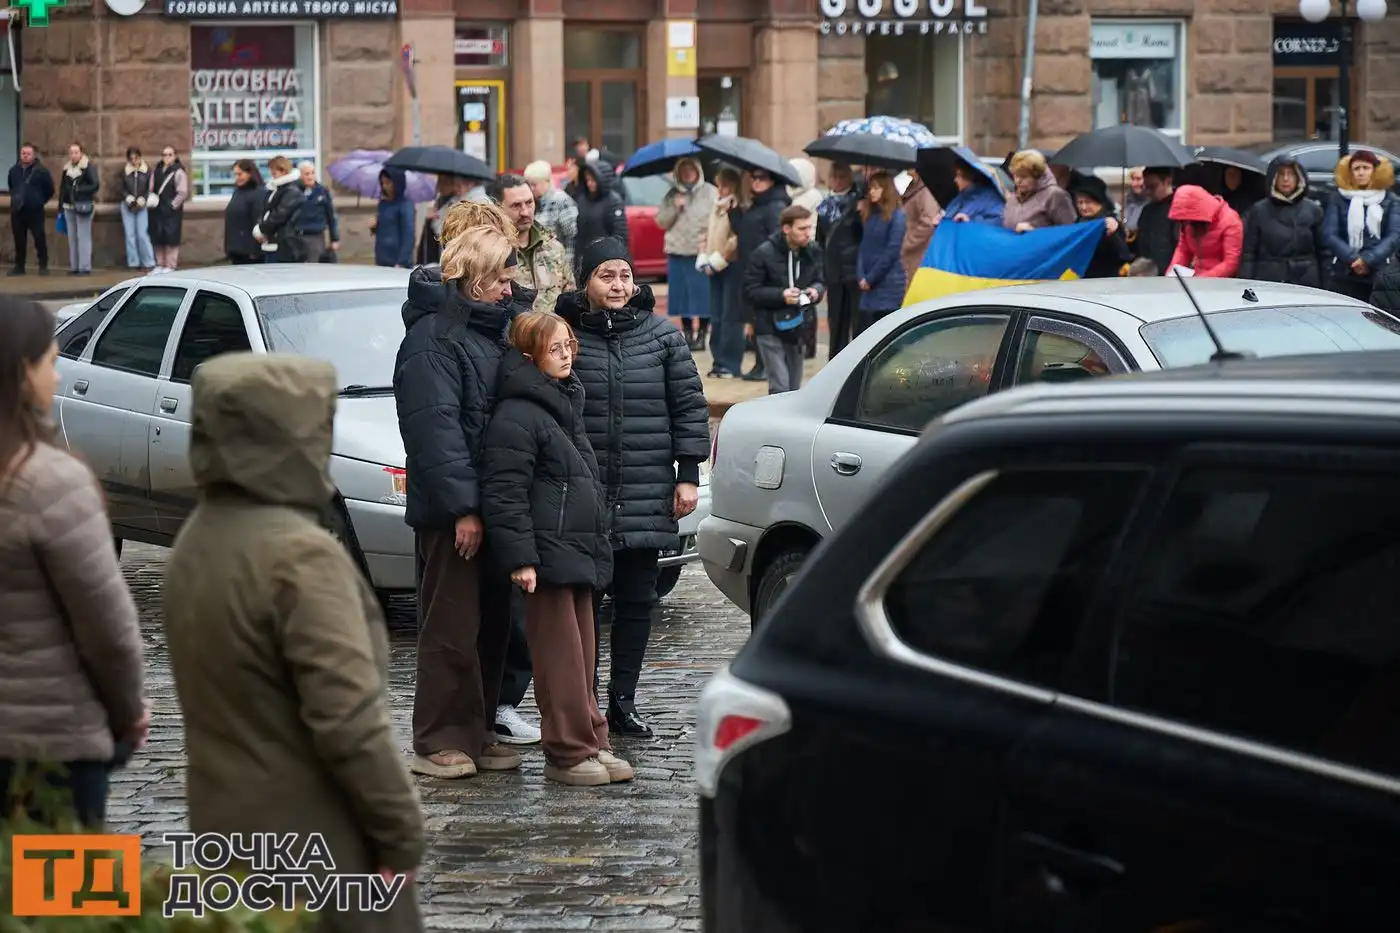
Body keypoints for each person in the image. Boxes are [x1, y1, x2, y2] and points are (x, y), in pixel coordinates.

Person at [161, 354, 424, 932]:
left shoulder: (195, 542)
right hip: (314, 836)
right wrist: (399, 832)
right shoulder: (298, 557)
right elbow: (348, 720)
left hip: (224, 828)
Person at [0, 298, 146, 829]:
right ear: (23, 375)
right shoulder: (50, 482)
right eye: (51, 363)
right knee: (62, 883)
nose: (58, 377)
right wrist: (129, 712)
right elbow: (107, 627)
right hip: (48, 747)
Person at [555, 237, 708, 736]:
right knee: (583, 603)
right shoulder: (565, 336)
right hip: (585, 491)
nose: (618, 285)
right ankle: (584, 703)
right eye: (606, 276)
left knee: (637, 601)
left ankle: (623, 700)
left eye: (625, 275)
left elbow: (688, 407)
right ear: (586, 282)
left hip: (646, 488)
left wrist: (688, 475)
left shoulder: (662, 336)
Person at [480, 311, 635, 786]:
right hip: (547, 556)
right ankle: (567, 751)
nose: (567, 355)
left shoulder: (563, 402)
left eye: (570, 345)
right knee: (560, 659)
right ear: (530, 356)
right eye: (556, 348)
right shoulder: (517, 414)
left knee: (583, 657)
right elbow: (504, 492)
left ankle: (592, 739)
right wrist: (521, 557)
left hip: (577, 550)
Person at [394, 214, 521, 779]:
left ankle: (478, 730)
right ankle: (439, 738)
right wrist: (464, 508)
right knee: (451, 625)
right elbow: (435, 432)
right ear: (475, 278)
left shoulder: (489, 331)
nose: (509, 290)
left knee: (491, 625)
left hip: (493, 504)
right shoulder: (433, 340)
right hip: (454, 513)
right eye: (501, 279)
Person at [744, 205, 826, 394]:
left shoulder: (813, 251)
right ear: (787, 228)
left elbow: (821, 280)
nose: (808, 233)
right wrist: (781, 295)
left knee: (794, 389)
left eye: (810, 228)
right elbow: (751, 291)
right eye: (802, 229)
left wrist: (815, 291)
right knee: (780, 387)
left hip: (798, 326)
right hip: (769, 325)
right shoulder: (763, 253)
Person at [733, 168, 792, 383]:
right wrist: (734, 213)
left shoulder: (775, 205)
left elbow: (777, 239)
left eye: (762, 178)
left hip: (765, 271)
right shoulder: (758, 203)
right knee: (754, 316)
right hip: (751, 268)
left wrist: (769, 267)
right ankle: (761, 363)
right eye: (753, 177)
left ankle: (766, 365)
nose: (756, 182)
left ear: (772, 181)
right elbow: (745, 232)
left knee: (763, 318)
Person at [489, 173, 576, 314]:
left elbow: (570, 298)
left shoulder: (553, 247)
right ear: (498, 208)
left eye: (529, 203)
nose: (525, 212)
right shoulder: (490, 253)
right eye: (516, 205)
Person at [1320, 149, 1400, 301]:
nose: (1361, 173)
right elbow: (1329, 234)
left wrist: (1367, 260)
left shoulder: (1390, 200)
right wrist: (1353, 259)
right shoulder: (1338, 198)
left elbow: (1394, 235)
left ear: (1374, 171)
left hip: (1379, 271)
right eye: (1356, 168)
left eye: (1366, 168)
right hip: (1345, 271)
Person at [657, 156, 717, 351]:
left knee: (703, 295)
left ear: (698, 171)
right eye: (683, 170)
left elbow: (718, 219)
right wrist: (675, 208)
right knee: (682, 296)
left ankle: (703, 334)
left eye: (691, 169)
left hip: (701, 251)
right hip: (678, 251)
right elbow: (661, 222)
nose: (687, 173)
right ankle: (688, 333)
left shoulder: (710, 192)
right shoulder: (672, 194)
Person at [1240, 157, 1326, 287]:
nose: (1285, 179)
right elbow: (1249, 253)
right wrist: (1246, 284)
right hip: (1269, 280)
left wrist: (1327, 287)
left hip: (1306, 282)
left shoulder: (1313, 210)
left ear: (1299, 177)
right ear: (1273, 178)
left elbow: (1324, 253)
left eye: (1290, 174)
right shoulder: (1259, 210)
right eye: (1281, 174)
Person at [699, 167, 745, 377]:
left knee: (730, 316)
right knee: (716, 315)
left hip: (731, 265)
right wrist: (704, 255)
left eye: (725, 185)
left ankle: (730, 363)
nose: (720, 189)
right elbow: (709, 232)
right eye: (719, 185)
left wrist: (721, 259)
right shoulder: (716, 204)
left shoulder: (737, 206)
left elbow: (737, 238)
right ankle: (718, 360)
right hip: (713, 264)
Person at [816, 163, 863, 359]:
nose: (836, 181)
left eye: (841, 177)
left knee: (857, 321)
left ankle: (857, 360)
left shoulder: (858, 201)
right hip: (833, 269)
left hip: (854, 269)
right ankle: (836, 360)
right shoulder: (825, 205)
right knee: (835, 320)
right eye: (833, 177)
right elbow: (820, 240)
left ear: (849, 178)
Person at [855, 172, 906, 333]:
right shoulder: (870, 215)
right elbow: (863, 247)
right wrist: (860, 275)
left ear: (887, 189)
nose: (872, 192)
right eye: (870, 188)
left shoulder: (897, 216)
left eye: (876, 188)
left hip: (888, 285)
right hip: (868, 284)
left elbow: (892, 250)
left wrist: (871, 277)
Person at [1166, 183, 1244, 278]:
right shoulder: (1188, 221)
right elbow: (1183, 251)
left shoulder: (1230, 221)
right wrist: (1171, 275)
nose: (1185, 223)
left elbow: (1231, 263)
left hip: (1222, 281)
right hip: (1198, 277)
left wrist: (1202, 280)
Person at [1069, 174, 1132, 278]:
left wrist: (1113, 234)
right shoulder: (1078, 222)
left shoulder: (1110, 222)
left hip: (1106, 278)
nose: (1083, 207)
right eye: (1080, 202)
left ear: (1100, 202)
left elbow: (1123, 254)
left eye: (1088, 202)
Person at [1003, 149, 1076, 234]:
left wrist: (1035, 232)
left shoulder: (1055, 195)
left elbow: (1070, 233)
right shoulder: (1014, 197)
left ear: (1037, 176)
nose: (1017, 181)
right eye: (1015, 175)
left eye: (1023, 176)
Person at [8, 143, 54, 277]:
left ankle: (43, 265)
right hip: (18, 210)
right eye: (23, 153)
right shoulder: (14, 171)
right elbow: (12, 186)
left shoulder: (41, 171)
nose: (25, 156)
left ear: (33, 156)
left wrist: (39, 201)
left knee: (39, 238)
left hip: (35, 211)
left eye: (28, 154)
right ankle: (19, 266)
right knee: (19, 239)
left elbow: (50, 189)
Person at [574, 160, 629, 263]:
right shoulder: (583, 200)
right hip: (586, 254)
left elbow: (620, 233)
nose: (589, 183)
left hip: (605, 256)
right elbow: (579, 233)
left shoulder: (613, 201)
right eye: (587, 180)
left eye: (593, 180)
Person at [253, 155, 306, 263]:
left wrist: (261, 229)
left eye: (274, 170)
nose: (272, 173)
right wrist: (260, 226)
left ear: (283, 170)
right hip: (272, 242)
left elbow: (279, 215)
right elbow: (265, 211)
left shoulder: (292, 191)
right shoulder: (274, 189)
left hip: (285, 244)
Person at [525, 160, 579, 264]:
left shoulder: (561, 201)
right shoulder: (531, 203)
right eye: (529, 185)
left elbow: (572, 237)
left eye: (534, 184)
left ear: (547, 181)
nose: (531, 189)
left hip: (558, 263)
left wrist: (567, 265)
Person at [58, 141, 98, 276]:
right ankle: (74, 266)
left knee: (83, 236)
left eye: (76, 152)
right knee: (72, 237)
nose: (73, 155)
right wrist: (60, 206)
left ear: (81, 153)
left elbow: (95, 184)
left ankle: (85, 267)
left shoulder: (88, 167)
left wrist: (79, 189)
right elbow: (62, 188)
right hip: (68, 205)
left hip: (83, 205)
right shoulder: (66, 168)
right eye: (71, 153)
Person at [898, 167, 943, 286]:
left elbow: (928, 222)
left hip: (917, 254)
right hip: (910, 253)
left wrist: (907, 243)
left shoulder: (926, 191)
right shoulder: (913, 186)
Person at [149, 145, 188, 273]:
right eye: (164, 155)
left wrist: (173, 205)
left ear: (175, 156)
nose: (167, 157)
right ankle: (160, 263)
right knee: (158, 236)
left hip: (171, 211)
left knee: (171, 237)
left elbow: (182, 192)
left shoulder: (178, 172)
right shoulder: (157, 171)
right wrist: (151, 199)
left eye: (170, 154)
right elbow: (151, 188)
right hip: (157, 209)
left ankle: (170, 265)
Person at [1135, 167, 1180, 274]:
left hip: (1171, 271)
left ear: (1167, 182)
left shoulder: (1179, 207)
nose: (1148, 191)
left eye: (1153, 186)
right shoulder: (1147, 210)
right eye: (1146, 187)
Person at [118, 146, 155, 271]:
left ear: (140, 157)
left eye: (136, 158)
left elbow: (150, 188)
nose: (134, 161)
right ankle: (133, 262)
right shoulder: (124, 171)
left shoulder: (146, 170)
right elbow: (120, 187)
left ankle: (148, 261)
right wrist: (127, 197)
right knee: (130, 235)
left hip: (141, 205)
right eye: (131, 159)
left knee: (142, 234)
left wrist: (143, 198)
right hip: (127, 205)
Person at [224, 159, 267, 266]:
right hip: (236, 249)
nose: (237, 178)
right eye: (235, 174)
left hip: (250, 251)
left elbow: (259, 221)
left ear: (250, 173)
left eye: (240, 174)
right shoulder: (238, 192)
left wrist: (255, 249)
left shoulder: (259, 193)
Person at [372, 167, 415, 269]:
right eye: (382, 183)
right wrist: (374, 227)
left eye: (388, 183)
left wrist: (402, 261)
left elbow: (408, 234)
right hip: (382, 258)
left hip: (397, 260)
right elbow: (383, 229)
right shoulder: (383, 204)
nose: (384, 186)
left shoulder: (405, 205)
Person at [298, 161, 340, 263]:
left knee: (314, 265)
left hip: (316, 236)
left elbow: (331, 216)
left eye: (312, 173)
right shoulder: (295, 191)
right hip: (297, 236)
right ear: (301, 176)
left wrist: (334, 239)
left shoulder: (322, 191)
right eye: (307, 174)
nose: (310, 177)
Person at [943, 161, 1006, 226]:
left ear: (969, 175)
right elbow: (948, 216)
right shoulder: (961, 196)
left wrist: (971, 222)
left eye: (959, 175)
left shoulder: (991, 197)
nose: (955, 180)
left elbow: (999, 221)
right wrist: (941, 219)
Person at [1122, 167, 1150, 238]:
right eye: (1133, 179)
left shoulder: (1151, 202)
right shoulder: (1128, 199)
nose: (1134, 184)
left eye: (1138, 179)